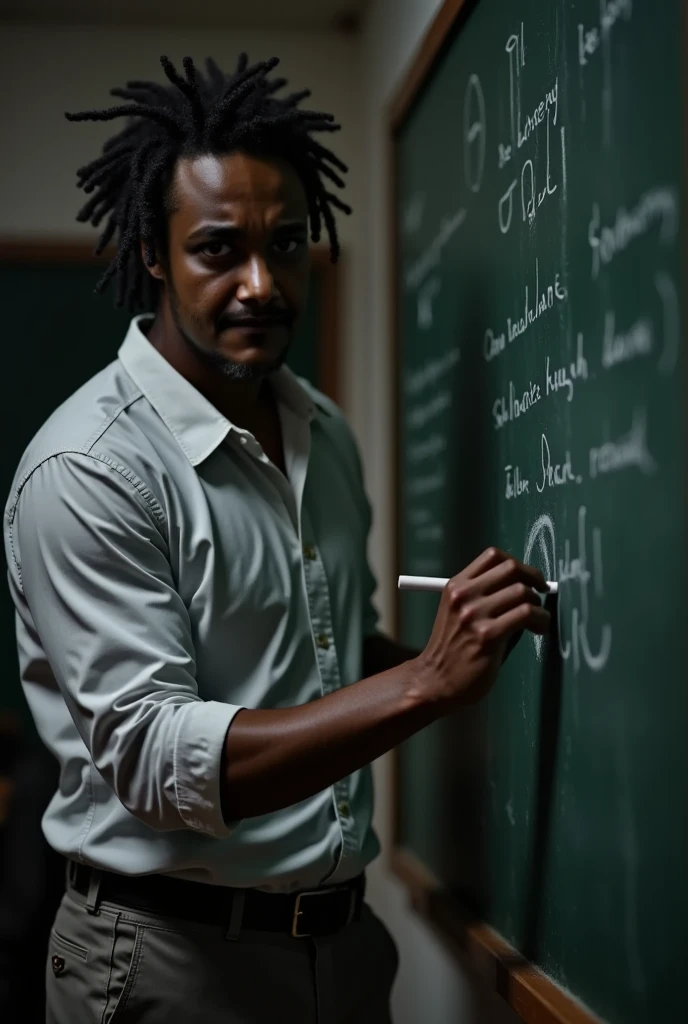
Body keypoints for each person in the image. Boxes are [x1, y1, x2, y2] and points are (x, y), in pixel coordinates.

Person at [3, 54, 550, 1024]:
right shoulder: (90, 466)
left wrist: (460, 643)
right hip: (168, 959)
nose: (262, 283)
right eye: (219, 249)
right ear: (152, 253)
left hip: (339, 948)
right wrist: (424, 681)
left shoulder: (321, 432)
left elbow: (328, 651)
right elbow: (155, 757)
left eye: (288, 244)